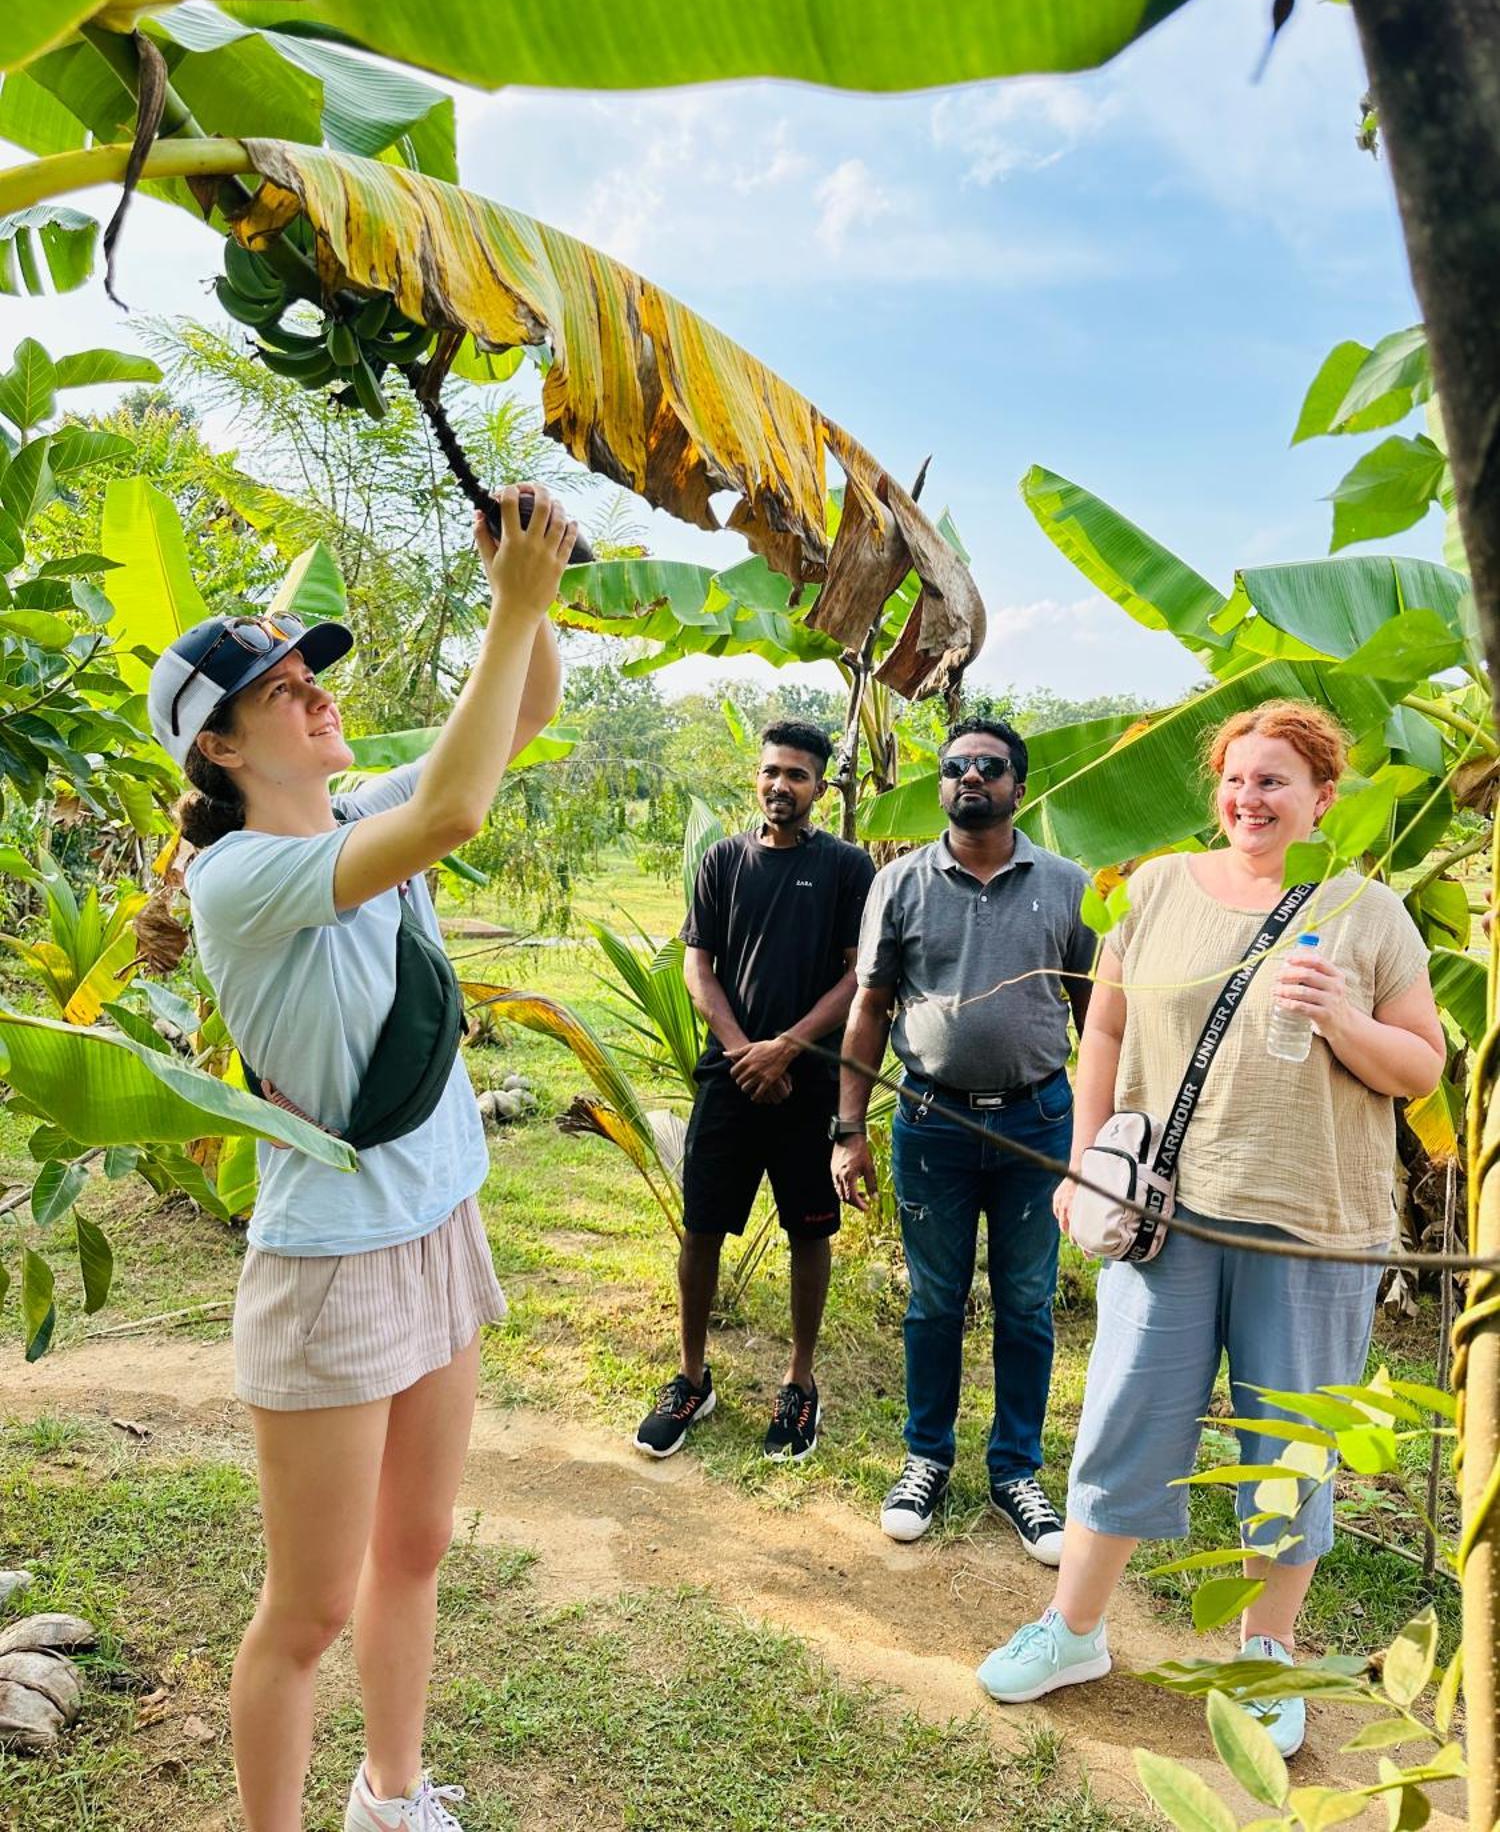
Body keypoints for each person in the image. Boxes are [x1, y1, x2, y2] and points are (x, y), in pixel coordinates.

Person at [148, 488, 576, 1832]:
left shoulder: (353, 818)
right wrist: (509, 605)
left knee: (419, 1546)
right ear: (218, 746)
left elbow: (520, 725)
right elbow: (455, 810)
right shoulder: (239, 881)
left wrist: (533, 595)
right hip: (330, 1267)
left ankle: (392, 1798)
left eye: (309, 675)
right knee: (310, 1606)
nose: (312, 695)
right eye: (277, 690)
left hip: (437, 1218)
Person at [977, 699, 1445, 1757]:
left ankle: (1261, 1658)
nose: (1250, 797)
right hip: (1163, 1216)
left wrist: (1342, 1017)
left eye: (1276, 780)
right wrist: (1084, 1154)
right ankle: (1075, 1628)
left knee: (1288, 1446)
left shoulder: (1365, 912)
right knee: (1127, 1419)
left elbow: (1423, 1068)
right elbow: (1103, 1023)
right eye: (1237, 777)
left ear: (1323, 797)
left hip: (1313, 1230)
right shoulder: (1155, 888)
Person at [833, 717, 1093, 1553]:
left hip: (1037, 1122)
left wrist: (1097, 1136)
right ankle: (927, 1457)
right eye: (955, 768)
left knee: (1025, 1303)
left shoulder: (1066, 883)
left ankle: (1016, 1469)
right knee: (934, 1300)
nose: (970, 778)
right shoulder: (901, 884)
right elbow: (870, 1008)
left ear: (1019, 783)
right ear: (941, 784)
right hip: (930, 1121)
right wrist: (848, 1130)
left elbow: (1099, 1016)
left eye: (988, 767)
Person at [635, 721, 875, 1461]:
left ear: (821, 787)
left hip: (807, 1084)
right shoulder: (721, 863)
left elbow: (857, 977)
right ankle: (690, 1376)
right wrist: (746, 1053)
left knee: (810, 1230)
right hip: (730, 1077)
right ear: (757, 776)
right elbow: (696, 968)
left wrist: (787, 1048)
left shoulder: (846, 867)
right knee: (701, 1225)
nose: (781, 785)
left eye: (797, 775)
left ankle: (800, 1383)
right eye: (771, 771)